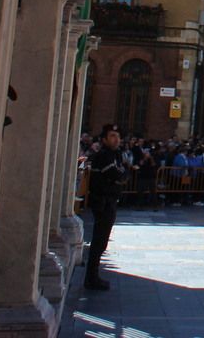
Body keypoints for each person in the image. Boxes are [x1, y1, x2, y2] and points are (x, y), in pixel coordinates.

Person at [83, 124, 129, 291]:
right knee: (99, 240)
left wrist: (122, 174)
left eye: (117, 136)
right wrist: (121, 175)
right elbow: (118, 175)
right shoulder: (105, 156)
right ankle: (91, 277)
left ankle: (93, 275)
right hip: (103, 201)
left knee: (102, 240)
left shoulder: (113, 155)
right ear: (104, 139)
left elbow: (122, 174)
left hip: (109, 201)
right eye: (112, 136)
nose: (116, 139)